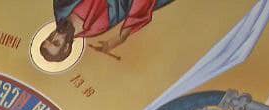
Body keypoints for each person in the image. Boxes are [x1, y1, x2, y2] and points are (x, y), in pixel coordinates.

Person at [39, 0, 172, 61]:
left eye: (49, 38)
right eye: (56, 42)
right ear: (66, 47)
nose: (55, 36)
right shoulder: (97, 27)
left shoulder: (61, 6)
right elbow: (131, 6)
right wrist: (122, 36)